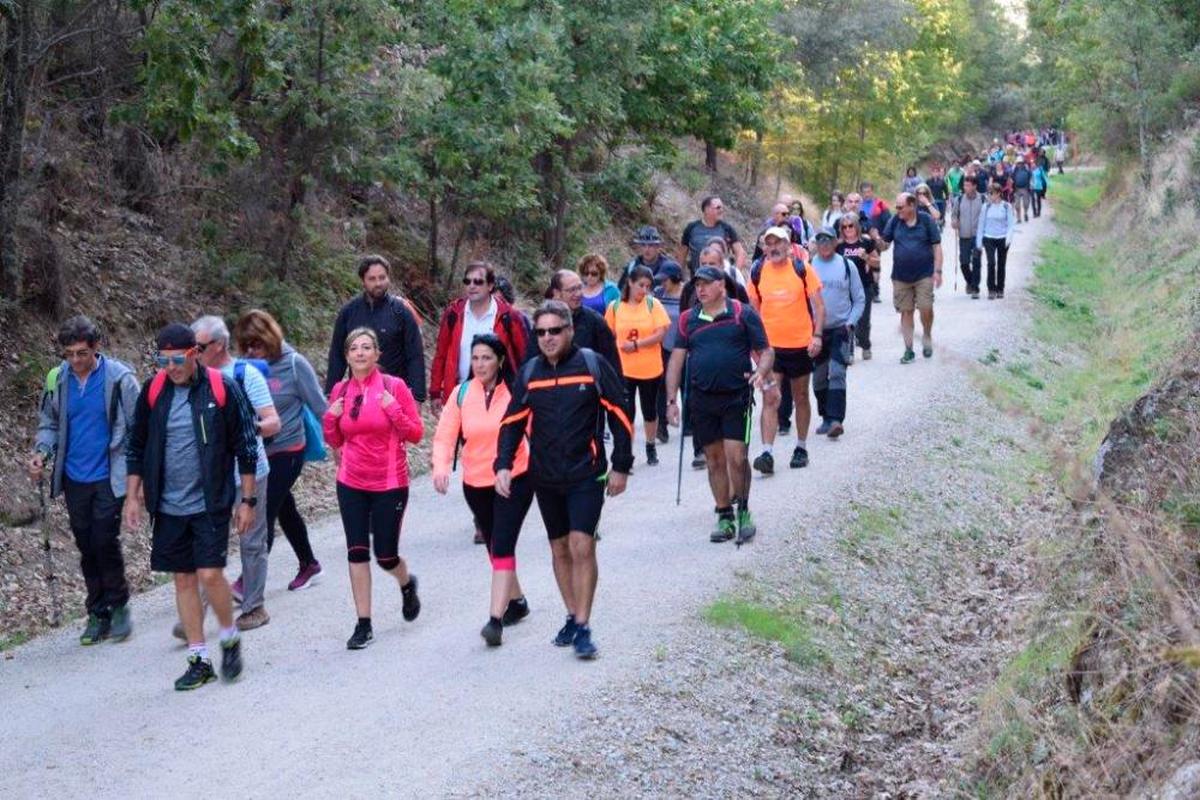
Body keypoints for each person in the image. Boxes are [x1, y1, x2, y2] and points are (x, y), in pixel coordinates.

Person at [495, 300, 633, 660]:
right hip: (545, 475)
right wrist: (503, 465)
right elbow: (511, 423)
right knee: (558, 548)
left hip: (585, 472)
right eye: (540, 332)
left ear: (570, 330)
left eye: (555, 330)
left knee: (581, 545)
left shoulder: (590, 364)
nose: (548, 338)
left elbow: (620, 414)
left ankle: (585, 626)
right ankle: (572, 615)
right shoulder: (529, 374)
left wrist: (621, 464)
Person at [123, 323, 258, 690]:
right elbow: (136, 447)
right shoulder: (153, 392)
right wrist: (132, 497)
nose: (171, 367)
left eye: (178, 359)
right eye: (163, 360)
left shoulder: (221, 388)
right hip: (167, 505)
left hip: (210, 501)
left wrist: (247, 501)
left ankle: (229, 637)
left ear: (195, 353)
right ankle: (199, 659)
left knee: (210, 575)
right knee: (182, 578)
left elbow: (246, 446)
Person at [31, 315, 139, 645]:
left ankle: (118, 605)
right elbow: (49, 422)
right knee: (85, 544)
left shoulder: (120, 379)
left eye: (82, 353)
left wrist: (139, 480)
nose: (75, 360)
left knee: (104, 540)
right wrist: (41, 452)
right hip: (74, 475)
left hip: (110, 473)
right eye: (69, 354)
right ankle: (97, 612)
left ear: (96, 348)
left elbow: (138, 428)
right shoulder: (59, 379)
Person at [432, 334, 536, 647]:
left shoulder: (517, 393)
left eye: (487, 358)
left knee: (502, 544)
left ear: (500, 360)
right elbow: (445, 435)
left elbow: (537, 431)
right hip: (475, 483)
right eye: (475, 358)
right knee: (494, 544)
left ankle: (495, 620)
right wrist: (440, 467)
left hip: (514, 477)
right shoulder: (462, 393)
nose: (480, 364)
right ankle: (517, 601)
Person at [324, 327, 424, 650]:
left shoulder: (394, 387)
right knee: (356, 552)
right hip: (350, 480)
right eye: (354, 348)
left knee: (385, 555)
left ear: (377, 354)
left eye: (367, 347)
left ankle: (406, 583)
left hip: (389, 482)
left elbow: (416, 433)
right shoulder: (340, 390)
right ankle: (363, 624)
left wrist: (392, 409)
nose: (360, 353)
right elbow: (336, 440)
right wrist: (330, 418)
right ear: (347, 355)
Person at [664, 265, 772, 544]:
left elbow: (766, 350)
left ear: (721, 286)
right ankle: (724, 514)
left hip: (737, 396)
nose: (700, 289)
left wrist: (761, 372)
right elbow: (676, 359)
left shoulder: (742, 313)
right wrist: (671, 400)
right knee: (714, 460)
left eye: (706, 284)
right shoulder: (688, 319)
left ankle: (744, 510)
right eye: (697, 284)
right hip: (701, 398)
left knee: (737, 456)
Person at [190, 315, 278, 632]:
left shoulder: (245, 374)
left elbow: (272, 422)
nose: (193, 353)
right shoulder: (190, 377)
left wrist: (243, 429)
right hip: (209, 477)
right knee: (206, 542)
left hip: (249, 474)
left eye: (198, 347)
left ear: (219, 345)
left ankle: (254, 607)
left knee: (251, 542)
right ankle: (196, 613)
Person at [234, 309, 327, 592]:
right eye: (246, 345)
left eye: (258, 344)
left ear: (271, 338)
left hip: (289, 449)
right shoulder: (244, 366)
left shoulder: (294, 364)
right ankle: (309, 564)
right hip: (258, 454)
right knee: (284, 507)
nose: (252, 351)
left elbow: (320, 407)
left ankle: (247, 581)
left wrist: (342, 444)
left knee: (262, 511)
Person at [747, 226, 825, 473]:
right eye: (768, 243)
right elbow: (752, 311)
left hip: (800, 345)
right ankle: (767, 453)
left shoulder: (802, 270)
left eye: (778, 243)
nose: (773, 248)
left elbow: (819, 307)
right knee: (770, 397)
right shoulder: (758, 272)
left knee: (801, 396)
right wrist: (754, 346)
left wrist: (817, 336)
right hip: (771, 349)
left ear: (789, 246)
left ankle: (801, 447)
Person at [429, 261, 531, 416]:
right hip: (459, 394)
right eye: (467, 281)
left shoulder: (508, 316)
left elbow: (524, 357)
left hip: (498, 397)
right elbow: (441, 354)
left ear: (490, 286)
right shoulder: (453, 313)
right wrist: (436, 392)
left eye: (478, 281)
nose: (472, 285)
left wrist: (525, 393)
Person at [325, 255, 426, 399]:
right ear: (363, 281)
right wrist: (331, 394)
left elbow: (415, 355)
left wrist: (417, 395)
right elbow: (337, 356)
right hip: (359, 394)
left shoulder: (401, 311)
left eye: (382, 277)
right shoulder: (348, 312)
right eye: (372, 279)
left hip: (395, 394)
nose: (378, 283)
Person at [604, 264, 671, 466]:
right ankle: (626, 451)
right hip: (624, 369)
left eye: (648, 286)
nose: (644, 290)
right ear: (630, 283)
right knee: (627, 412)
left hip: (649, 368)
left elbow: (661, 333)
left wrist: (636, 344)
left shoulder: (653, 305)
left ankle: (650, 445)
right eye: (641, 285)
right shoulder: (615, 307)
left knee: (649, 410)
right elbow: (608, 334)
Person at [809, 228, 866, 438]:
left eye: (828, 240)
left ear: (836, 242)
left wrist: (851, 323)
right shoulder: (808, 267)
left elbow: (859, 299)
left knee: (838, 373)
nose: (824, 244)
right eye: (820, 240)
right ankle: (825, 416)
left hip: (841, 328)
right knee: (819, 378)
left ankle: (835, 420)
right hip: (816, 331)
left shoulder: (846, 265)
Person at [881, 193, 942, 364]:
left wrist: (938, 271)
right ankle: (908, 350)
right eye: (897, 207)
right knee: (906, 311)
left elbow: (937, 247)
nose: (898, 210)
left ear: (912, 205)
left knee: (925, 307)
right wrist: (876, 240)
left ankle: (927, 334)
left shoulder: (926, 221)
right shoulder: (894, 221)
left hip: (924, 274)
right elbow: (884, 245)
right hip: (901, 276)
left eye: (900, 207)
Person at [539, 269, 622, 375]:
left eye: (580, 288)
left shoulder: (595, 321)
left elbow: (612, 364)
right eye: (572, 290)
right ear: (557, 293)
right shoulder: (543, 322)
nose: (578, 294)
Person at [835, 214, 878, 360]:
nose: (848, 229)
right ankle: (850, 351)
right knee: (848, 320)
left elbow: (877, 263)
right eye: (844, 227)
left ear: (856, 226)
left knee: (863, 321)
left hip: (864, 286)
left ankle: (865, 344)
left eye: (850, 225)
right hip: (844, 288)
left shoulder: (866, 242)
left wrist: (866, 257)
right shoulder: (838, 245)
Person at [653, 262, 685, 443]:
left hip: (683, 346)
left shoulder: (688, 294)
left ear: (675, 278)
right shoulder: (658, 294)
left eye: (665, 280)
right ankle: (661, 426)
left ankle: (689, 424)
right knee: (661, 387)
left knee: (686, 384)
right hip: (662, 347)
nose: (662, 283)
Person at [678, 196, 746, 276]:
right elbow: (682, 254)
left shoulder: (727, 228)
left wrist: (734, 275)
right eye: (718, 207)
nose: (721, 210)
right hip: (697, 279)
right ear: (707, 209)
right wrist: (679, 276)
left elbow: (740, 253)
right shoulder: (691, 228)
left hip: (720, 280)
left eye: (722, 208)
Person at [976, 183, 1015, 300]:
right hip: (989, 238)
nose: (989, 195)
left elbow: (1010, 225)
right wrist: (979, 242)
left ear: (998, 193)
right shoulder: (986, 207)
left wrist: (1008, 239)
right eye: (988, 193)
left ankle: (1000, 288)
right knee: (991, 263)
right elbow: (981, 224)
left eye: (991, 193)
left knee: (1001, 264)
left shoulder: (1006, 207)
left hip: (1002, 238)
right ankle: (991, 289)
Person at [950, 175, 985, 298]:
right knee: (964, 263)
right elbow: (954, 215)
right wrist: (954, 222)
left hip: (978, 236)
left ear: (975, 186)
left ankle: (975, 288)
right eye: (964, 185)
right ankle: (970, 282)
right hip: (964, 235)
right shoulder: (959, 199)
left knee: (976, 261)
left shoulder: (983, 199)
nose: (965, 188)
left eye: (968, 185)